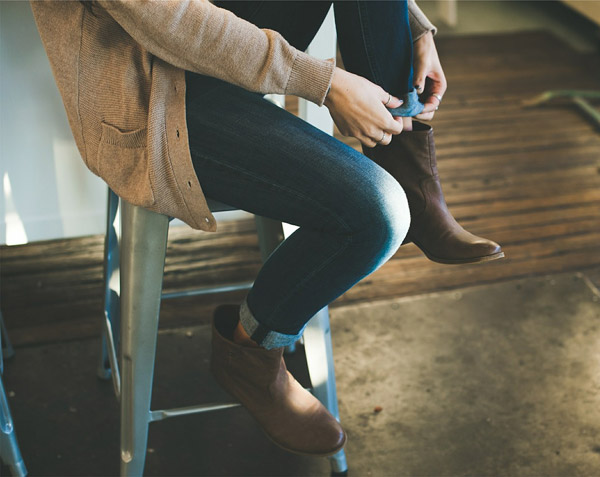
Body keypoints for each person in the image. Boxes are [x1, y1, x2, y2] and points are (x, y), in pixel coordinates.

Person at [31, 0, 503, 459]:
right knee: (377, 215)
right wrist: (325, 84)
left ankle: (408, 168)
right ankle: (250, 352)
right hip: (152, 97)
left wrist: (412, 28)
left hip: (217, 54)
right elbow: (168, 17)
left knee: (388, 206)